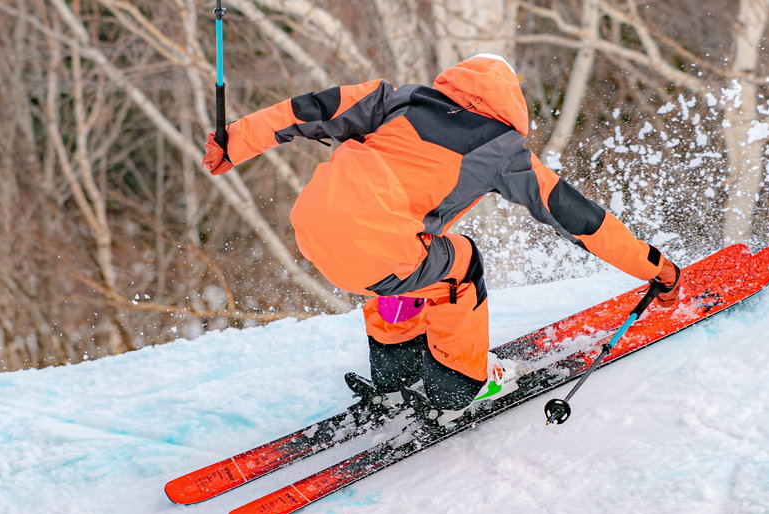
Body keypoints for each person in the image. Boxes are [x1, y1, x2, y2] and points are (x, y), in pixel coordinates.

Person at [203, 53, 681, 413]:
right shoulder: (503, 148)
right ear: (508, 100)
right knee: (460, 265)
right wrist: (654, 267)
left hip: (312, 225)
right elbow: (582, 219)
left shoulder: (394, 99)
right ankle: (461, 382)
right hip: (377, 243)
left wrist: (233, 141)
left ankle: (398, 366)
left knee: (412, 258)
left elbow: (307, 109)